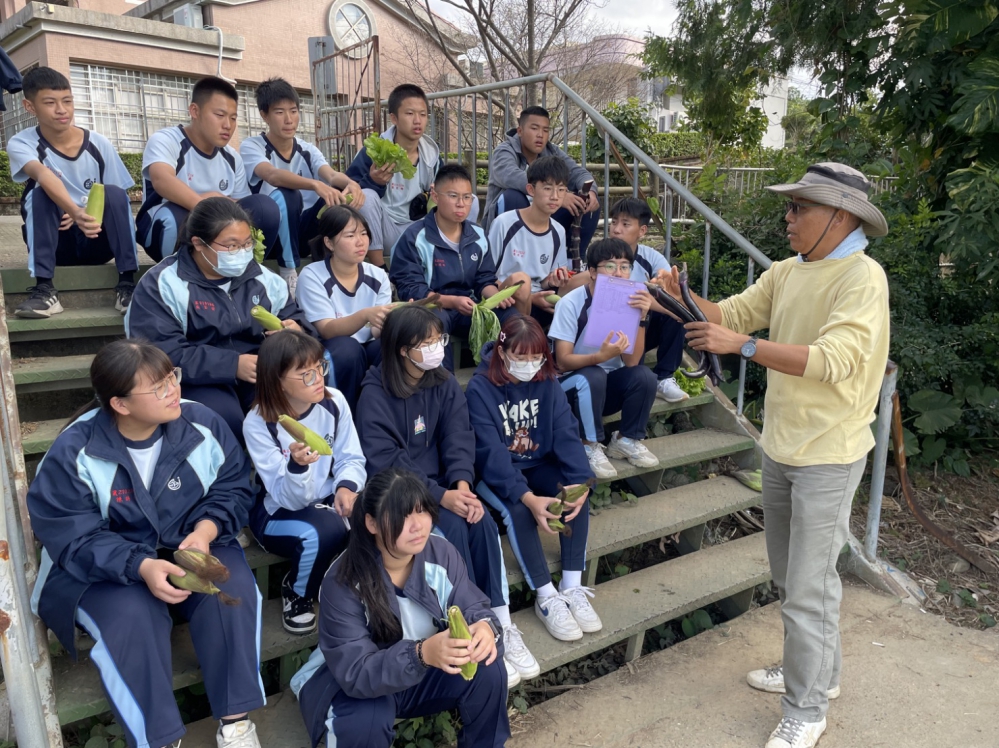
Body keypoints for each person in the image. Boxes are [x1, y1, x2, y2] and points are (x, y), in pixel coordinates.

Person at [654, 162, 890, 748]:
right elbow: (730, 315)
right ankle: (820, 673)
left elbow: (834, 359)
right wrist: (678, 297)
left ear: (842, 217)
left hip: (829, 454)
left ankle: (806, 709)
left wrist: (746, 348)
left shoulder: (862, 278)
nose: (787, 217)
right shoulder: (789, 271)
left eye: (799, 207)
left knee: (808, 586)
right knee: (794, 577)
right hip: (782, 446)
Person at [27, 339, 264, 748]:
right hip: (101, 566)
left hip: (189, 544)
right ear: (120, 404)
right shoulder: (75, 450)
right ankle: (158, 739)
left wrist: (206, 531)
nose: (174, 390)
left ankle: (236, 723)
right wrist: (141, 565)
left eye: (172, 377)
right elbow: (72, 535)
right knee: (132, 615)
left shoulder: (201, 422)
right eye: (158, 387)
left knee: (233, 590)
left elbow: (233, 487)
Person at [355, 306, 517, 685]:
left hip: (446, 486)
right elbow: (386, 460)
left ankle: (500, 623)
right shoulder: (374, 393)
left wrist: (462, 485)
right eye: (426, 343)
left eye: (439, 339)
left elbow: (458, 434)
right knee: (454, 530)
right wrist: (439, 497)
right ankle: (464, 630)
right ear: (402, 350)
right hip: (403, 496)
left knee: (481, 521)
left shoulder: (442, 381)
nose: (436, 348)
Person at [290, 468, 509, 748]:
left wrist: (486, 628)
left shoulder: (441, 553)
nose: (417, 525)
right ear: (372, 523)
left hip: (422, 670)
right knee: (365, 719)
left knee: (489, 668)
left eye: (422, 510)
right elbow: (356, 672)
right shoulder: (343, 580)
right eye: (401, 516)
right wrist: (420, 654)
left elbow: (473, 606)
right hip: (355, 682)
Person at [467, 315, 598, 664]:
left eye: (537, 357)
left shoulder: (547, 380)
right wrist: (527, 497)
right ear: (502, 352)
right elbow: (489, 453)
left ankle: (572, 585)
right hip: (497, 474)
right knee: (519, 510)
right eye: (520, 357)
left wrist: (580, 479)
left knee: (573, 493)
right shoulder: (480, 388)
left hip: (538, 462)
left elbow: (566, 430)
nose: (529, 365)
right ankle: (545, 595)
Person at [126, 197, 310, 442]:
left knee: (288, 406)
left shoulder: (264, 278)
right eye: (231, 246)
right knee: (222, 417)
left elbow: (295, 318)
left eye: (247, 243)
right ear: (199, 244)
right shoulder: (162, 284)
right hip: (195, 377)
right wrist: (232, 365)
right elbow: (159, 353)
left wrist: (297, 330)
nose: (242, 252)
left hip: (259, 370)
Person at [243, 330, 365, 635]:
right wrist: (297, 467)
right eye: (306, 374)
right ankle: (297, 592)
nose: (319, 378)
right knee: (325, 529)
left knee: (372, 512)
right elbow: (288, 498)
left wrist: (346, 487)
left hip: (326, 499)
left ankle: (350, 587)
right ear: (278, 382)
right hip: (278, 510)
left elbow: (351, 457)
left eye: (320, 367)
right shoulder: (259, 423)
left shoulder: (334, 402)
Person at [7, 66, 139, 318]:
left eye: (67, 101)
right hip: (58, 244)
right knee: (40, 193)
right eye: (50, 103)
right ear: (30, 106)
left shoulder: (98, 143)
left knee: (114, 193)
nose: (62, 109)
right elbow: (43, 174)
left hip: (98, 240)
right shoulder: (22, 143)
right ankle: (44, 291)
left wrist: (83, 214)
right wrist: (71, 210)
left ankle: (127, 285)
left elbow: (118, 200)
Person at [135, 76, 281, 284]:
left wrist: (219, 204)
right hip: (166, 226)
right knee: (175, 215)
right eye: (219, 115)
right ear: (195, 111)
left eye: (233, 118)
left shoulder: (232, 157)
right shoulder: (167, 140)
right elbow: (161, 180)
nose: (228, 125)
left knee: (264, 207)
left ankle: (244, 275)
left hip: (218, 234)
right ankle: (180, 278)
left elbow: (240, 205)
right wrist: (208, 204)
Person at [390, 164, 522, 371]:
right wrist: (452, 301)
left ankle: (504, 378)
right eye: (453, 196)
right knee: (434, 323)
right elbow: (412, 290)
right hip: (432, 309)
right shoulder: (414, 237)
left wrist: (495, 296)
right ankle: (445, 384)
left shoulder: (477, 235)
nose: (461, 204)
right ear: (435, 195)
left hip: (470, 306)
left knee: (513, 318)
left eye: (467, 197)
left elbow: (484, 279)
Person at [240, 77, 365, 295]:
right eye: (280, 112)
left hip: (303, 233)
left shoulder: (307, 149)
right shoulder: (252, 146)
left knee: (338, 196)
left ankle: (342, 265)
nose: (289, 119)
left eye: (294, 111)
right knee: (289, 194)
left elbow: (331, 175)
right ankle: (289, 273)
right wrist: (314, 184)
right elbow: (272, 175)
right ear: (264, 115)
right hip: (272, 236)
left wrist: (352, 184)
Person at [549, 238, 660, 480]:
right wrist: (599, 357)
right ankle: (589, 445)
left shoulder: (631, 302)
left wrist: (641, 318)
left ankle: (626, 439)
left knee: (644, 376)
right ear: (592, 272)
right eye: (609, 266)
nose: (618, 273)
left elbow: (632, 362)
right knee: (593, 374)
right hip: (568, 389)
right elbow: (562, 361)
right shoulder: (571, 303)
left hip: (604, 390)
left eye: (624, 266)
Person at [346, 84, 478, 268]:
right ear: (394, 118)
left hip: (420, 229)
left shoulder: (431, 155)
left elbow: (445, 192)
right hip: (385, 231)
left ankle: (456, 258)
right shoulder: (375, 150)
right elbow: (348, 192)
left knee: (471, 200)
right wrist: (373, 181)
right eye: (409, 114)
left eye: (423, 114)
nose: (417, 121)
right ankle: (379, 269)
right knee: (366, 196)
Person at [295, 205, 393, 408]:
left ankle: (381, 412)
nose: (360, 241)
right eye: (350, 235)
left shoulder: (378, 275)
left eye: (364, 233)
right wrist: (365, 315)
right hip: (330, 349)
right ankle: (342, 412)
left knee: (391, 345)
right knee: (348, 349)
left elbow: (376, 331)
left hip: (365, 345)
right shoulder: (312, 275)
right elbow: (327, 329)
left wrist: (397, 318)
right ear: (329, 243)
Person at [483, 105, 599, 254]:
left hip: (544, 214)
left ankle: (573, 260)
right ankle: (515, 255)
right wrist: (558, 195)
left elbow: (577, 172)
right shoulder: (505, 151)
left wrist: (591, 191)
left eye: (545, 130)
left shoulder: (551, 151)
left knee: (585, 202)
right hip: (511, 217)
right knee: (513, 196)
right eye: (534, 128)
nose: (540, 135)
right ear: (520, 131)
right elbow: (511, 176)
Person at [487, 156, 572, 321]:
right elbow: (486, 276)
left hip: (540, 298)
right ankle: (522, 335)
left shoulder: (558, 231)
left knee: (590, 278)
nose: (555, 196)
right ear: (531, 190)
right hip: (506, 300)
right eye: (547, 188)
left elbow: (544, 281)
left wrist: (554, 279)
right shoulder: (505, 223)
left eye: (561, 190)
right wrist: (530, 297)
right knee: (522, 281)